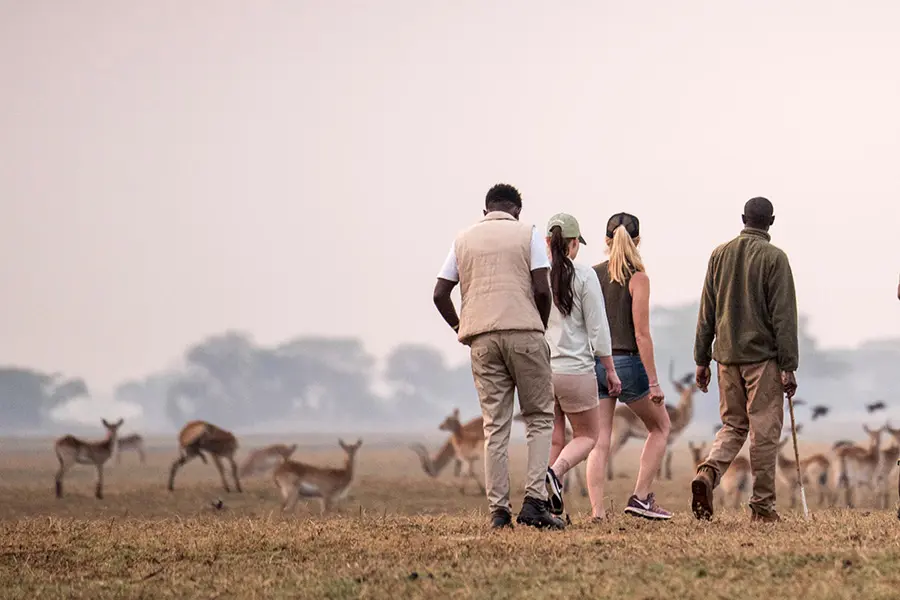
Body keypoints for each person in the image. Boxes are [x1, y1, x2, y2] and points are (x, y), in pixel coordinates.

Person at [432, 183, 565, 530]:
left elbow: (440, 293)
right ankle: (535, 502)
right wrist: (539, 325)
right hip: (525, 334)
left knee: (495, 426)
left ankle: (499, 512)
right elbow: (541, 287)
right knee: (538, 416)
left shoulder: (463, 239)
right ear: (516, 211)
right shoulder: (528, 234)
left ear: (485, 211)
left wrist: (463, 327)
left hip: (482, 340)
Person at [691, 197, 799, 523]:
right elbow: (783, 317)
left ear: (743, 218)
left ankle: (709, 472)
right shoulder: (775, 258)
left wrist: (701, 359)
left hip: (725, 358)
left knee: (733, 425)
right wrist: (789, 365)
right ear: (772, 221)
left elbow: (706, 311)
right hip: (762, 360)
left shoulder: (719, 255)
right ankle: (763, 507)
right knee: (764, 431)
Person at [590, 212, 672, 521]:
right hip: (626, 363)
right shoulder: (639, 278)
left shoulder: (590, 275)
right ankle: (640, 497)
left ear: (606, 241)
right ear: (637, 241)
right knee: (661, 427)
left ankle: (598, 511)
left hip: (594, 364)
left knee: (599, 441)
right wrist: (653, 382)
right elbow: (641, 333)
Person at [542, 213, 622, 519]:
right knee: (588, 436)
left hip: (543, 370)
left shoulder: (535, 274)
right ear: (573, 244)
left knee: (553, 437)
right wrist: (610, 370)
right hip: (576, 370)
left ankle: (543, 502)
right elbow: (598, 329)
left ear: (548, 243)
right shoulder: (585, 275)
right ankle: (556, 472)